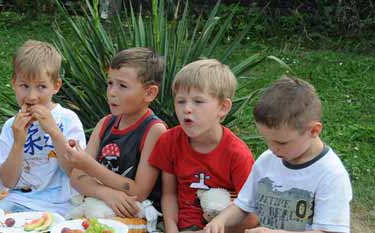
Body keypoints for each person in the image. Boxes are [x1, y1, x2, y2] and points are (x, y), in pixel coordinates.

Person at [204, 76, 352, 233]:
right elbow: (242, 206)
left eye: (281, 143)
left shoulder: (330, 174)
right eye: (267, 140)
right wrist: (221, 220)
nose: (273, 148)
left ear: (314, 131)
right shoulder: (267, 160)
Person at [148, 59, 256, 232]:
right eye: (181, 101)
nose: (187, 109)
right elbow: (169, 193)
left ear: (223, 107)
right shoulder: (168, 141)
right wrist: (171, 228)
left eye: (198, 101)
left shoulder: (237, 154)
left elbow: (252, 216)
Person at [64, 47, 166, 217]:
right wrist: (107, 193)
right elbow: (77, 178)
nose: (112, 92)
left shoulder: (154, 130)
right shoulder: (104, 124)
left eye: (123, 86)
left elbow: (139, 192)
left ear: (149, 93)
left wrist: (89, 166)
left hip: (136, 217)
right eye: (110, 83)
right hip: (100, 208)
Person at [0, 40, 86, 216]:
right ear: (14, 83)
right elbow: (8, 182)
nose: (32, 96)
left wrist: (54, 132)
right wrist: (18, 142)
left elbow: (75, 172)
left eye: (41, 87)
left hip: (63, 204)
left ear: (56, 86)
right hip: (19, 200)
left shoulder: (68, 120)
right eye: (24, 86)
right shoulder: (10, 126)